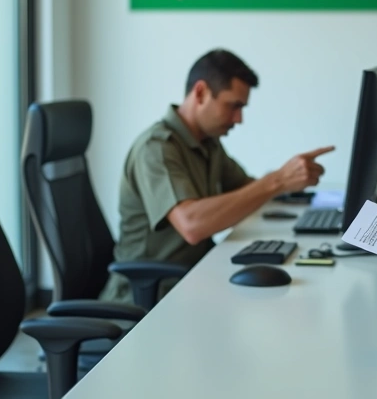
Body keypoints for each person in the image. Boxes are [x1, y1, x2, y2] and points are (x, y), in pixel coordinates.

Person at [100, 48, 333, 304]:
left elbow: (246, 189)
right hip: (149, 296)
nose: (239, 119)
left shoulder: (208, 142)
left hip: (192, 280)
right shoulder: (156, 148)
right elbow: (192, 225)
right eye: (233, 106)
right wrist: (277, 180)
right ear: (200, 93)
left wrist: (290, 181)